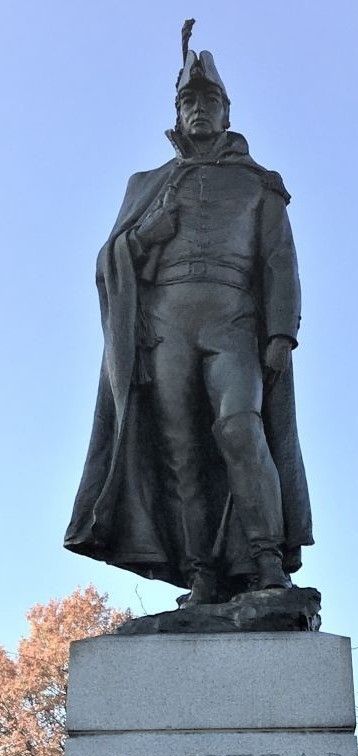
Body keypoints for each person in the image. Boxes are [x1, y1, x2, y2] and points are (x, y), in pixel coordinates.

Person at [64, 21, 313, 604]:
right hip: (165, 327)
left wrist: (281, 332)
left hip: (234, 322)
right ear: (177, 114)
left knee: (240, 426)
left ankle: (267, 560)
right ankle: (202, 573)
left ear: (227, 113)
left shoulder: (259, 184)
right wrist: (146, 234)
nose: (199, 109)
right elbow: (110, 262)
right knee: (181, 451)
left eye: (209, 100)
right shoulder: (147, 184)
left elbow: (279, 262)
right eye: (189, 101)